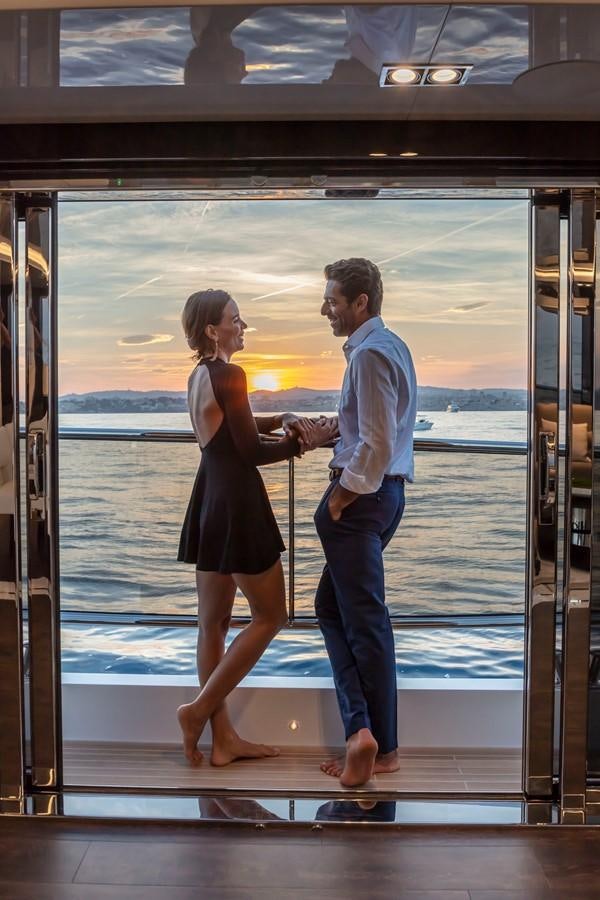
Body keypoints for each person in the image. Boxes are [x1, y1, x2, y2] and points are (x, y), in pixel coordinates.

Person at [176, 288, 336, 767]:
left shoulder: (200, 374)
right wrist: (312, 439)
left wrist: (284, 417)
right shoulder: (231, 373)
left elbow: (233, 429)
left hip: (210, 497)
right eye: (236, 319)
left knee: (214, 624)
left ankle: (222, 739)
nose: (243, 327)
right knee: (271, 616)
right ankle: (199, 711)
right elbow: (251, 452)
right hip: (238, 504)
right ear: (213, 329)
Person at [313, 258, 417, 787]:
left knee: (365, 623)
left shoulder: (370, 355)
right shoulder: (390, 346)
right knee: (332, 607)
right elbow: (374, 428)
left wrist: (338, 499)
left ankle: (377, 745)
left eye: (332, 299)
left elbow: (375, 446)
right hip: (384, 497)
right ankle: (366, 735)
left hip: (361, 502)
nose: (325, 308)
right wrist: (328, 433)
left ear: (360, 303)